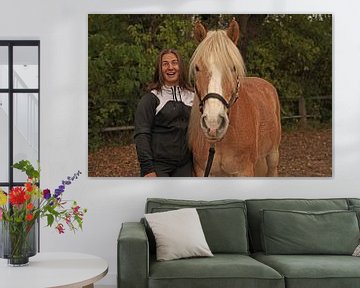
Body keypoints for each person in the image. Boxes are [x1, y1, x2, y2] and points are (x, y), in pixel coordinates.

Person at [134, 49, 194, 177]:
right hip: (159, 167)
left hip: (185, 166)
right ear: (160, 69)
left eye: (174, 63)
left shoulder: (193, 97)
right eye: (165, 64)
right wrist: (148, 169)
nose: (170, 67)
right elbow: (141, 134)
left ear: (181, 66)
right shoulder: (151, 98)